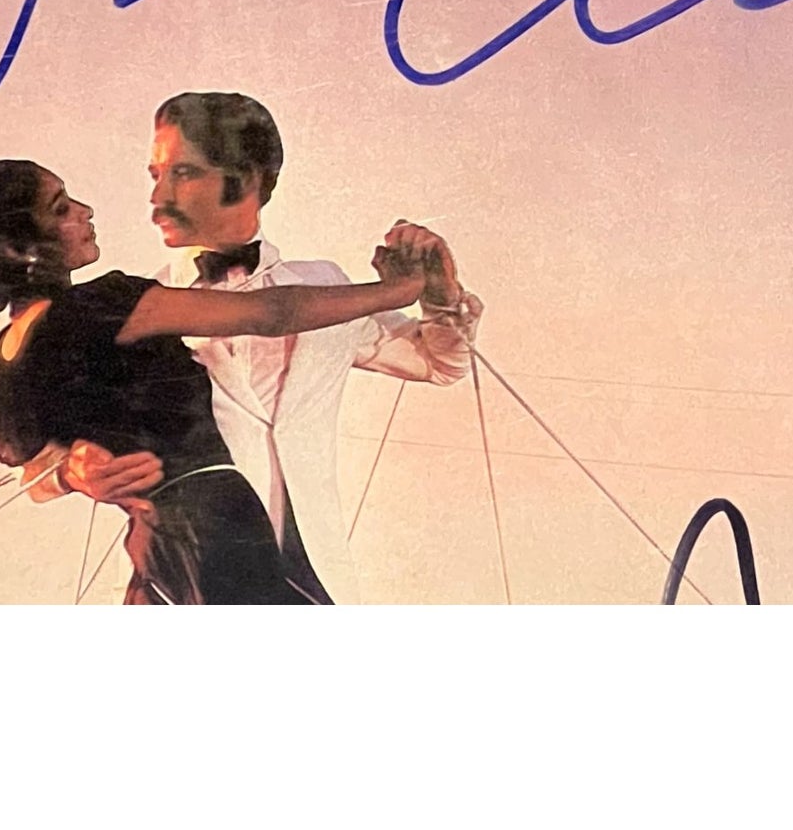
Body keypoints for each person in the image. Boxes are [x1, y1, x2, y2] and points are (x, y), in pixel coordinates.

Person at [0, 156, 426, 604]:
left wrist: (72, 474)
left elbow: (31, 469)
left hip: (158, 544)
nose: (85, 211)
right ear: (21, 249)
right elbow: (272, 311)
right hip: (217, 529)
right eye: (61, 209)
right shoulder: (104, 305)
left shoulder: (8, 356)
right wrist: (397, 291)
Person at [60, 92, 481, 604]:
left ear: (248, 180)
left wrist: (440, 294)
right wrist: (71, 471)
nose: (158, 198)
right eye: (156, 174)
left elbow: (440, 362)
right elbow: (44, 437)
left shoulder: (325, 286)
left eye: (183, 173)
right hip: (181, 585)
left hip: (312, 578)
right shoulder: (141, 307)